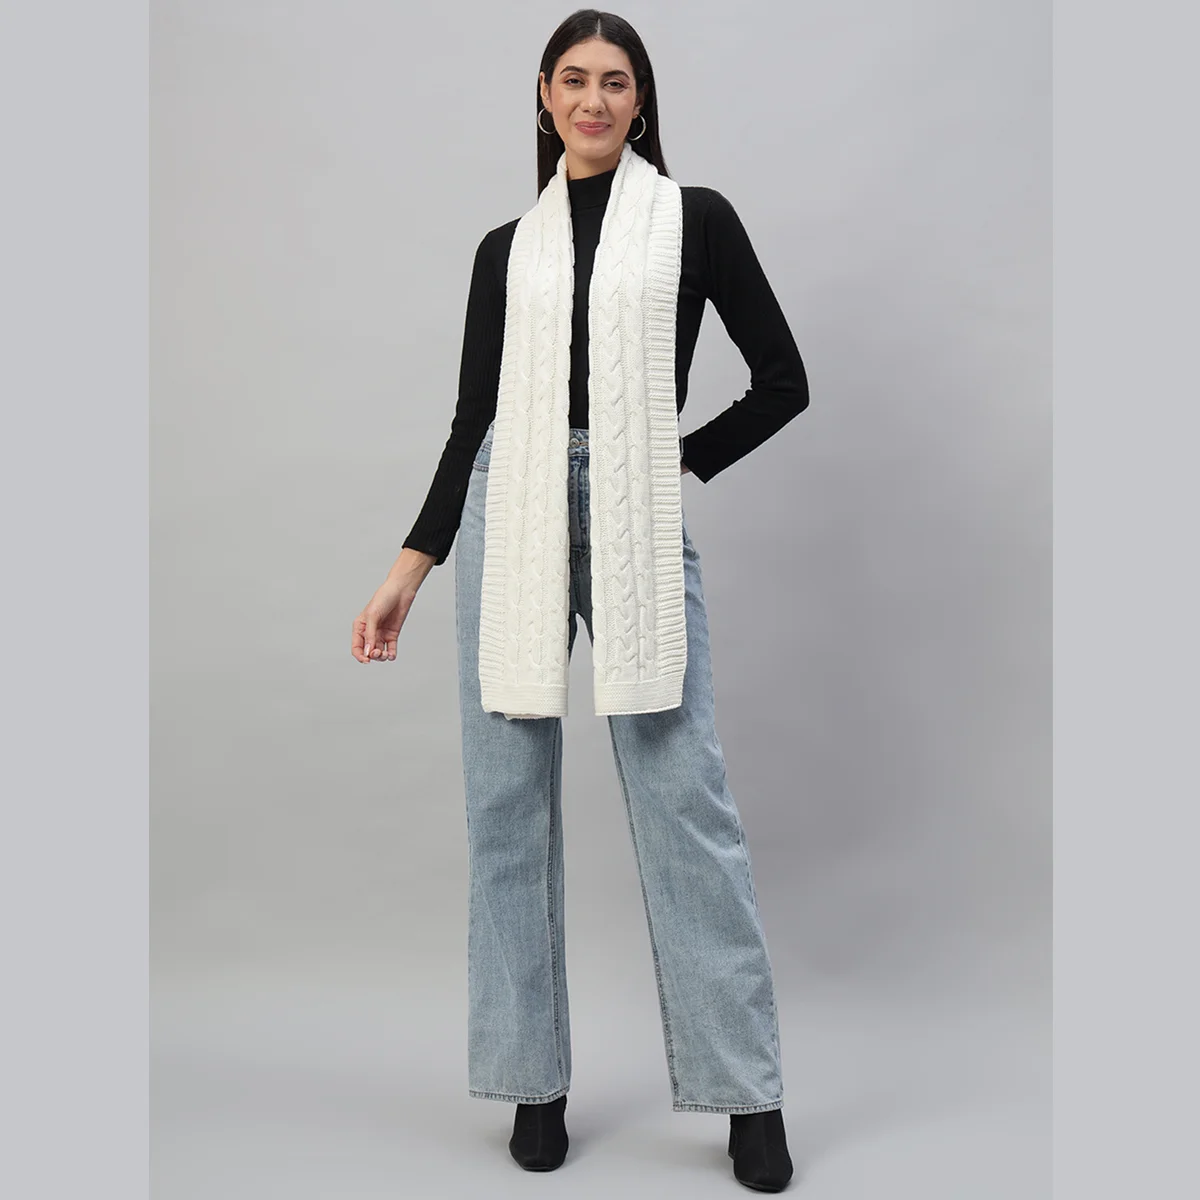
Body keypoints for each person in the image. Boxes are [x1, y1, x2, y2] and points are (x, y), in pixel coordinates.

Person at [351, 10, 808, 1192]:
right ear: (545, 98)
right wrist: (409, 567)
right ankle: (533, 1084)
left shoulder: (695, 219)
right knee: (506, 806)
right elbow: (474, 421)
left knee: (684, 802)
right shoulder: (506, 250)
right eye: (574, 79)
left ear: (641, 102)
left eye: (615, 81)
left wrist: (671, 462)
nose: (594, 99)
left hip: (633, 505)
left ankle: (747, 1094)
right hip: (510, 505)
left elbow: (783, 381)